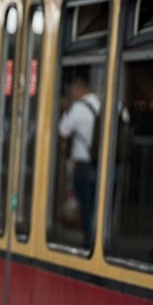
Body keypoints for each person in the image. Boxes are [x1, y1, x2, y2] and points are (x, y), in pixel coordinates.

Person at [58, 76, 100, 245]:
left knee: (86, 207)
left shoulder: (78, 108)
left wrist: (66, 109)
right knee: (99, 206)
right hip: (103, 164)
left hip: (83, 164)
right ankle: (100, 239)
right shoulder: (103, 104)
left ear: (79, 90)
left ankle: (89, 242)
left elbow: (63, 130)